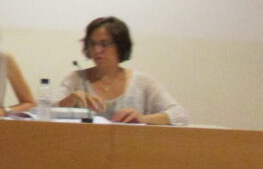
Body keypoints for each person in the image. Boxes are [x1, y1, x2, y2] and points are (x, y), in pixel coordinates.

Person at [54, 16, 189, 125]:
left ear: (120, 46)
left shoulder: (142, 82)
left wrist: (143, 118)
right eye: (92, 44)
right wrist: (69, 100)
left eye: (104, 44)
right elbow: (45, 112)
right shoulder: (76, 79)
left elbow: (180, 115)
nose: (97, 50)